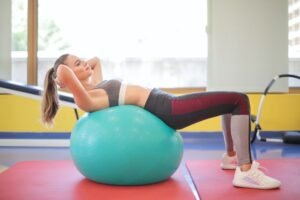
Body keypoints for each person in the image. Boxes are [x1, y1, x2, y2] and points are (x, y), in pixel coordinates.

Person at [42, 54, 281, 190]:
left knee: (229, 101)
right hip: (167, 109)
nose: (84, 63)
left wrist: (80, 65)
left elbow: (95, 61)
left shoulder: (96, 86)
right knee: (239, 100)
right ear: (67, 79)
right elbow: (64, 74)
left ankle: (232, 157)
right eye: (77, 64)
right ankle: (246, 170)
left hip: (164, 100)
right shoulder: (87, 99)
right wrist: (61, 74)